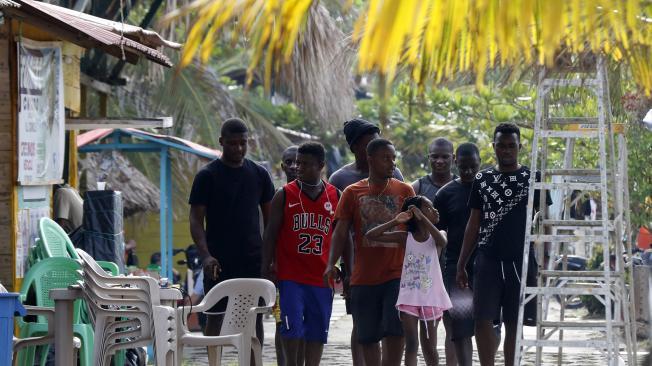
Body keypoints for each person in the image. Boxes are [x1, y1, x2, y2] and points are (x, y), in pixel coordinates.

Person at [456, 123, 552, 366]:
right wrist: (461, 263)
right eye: (501, 146)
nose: (507, 150)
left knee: (514, 321)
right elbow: (474, 222)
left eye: (512, 146)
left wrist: (546, 259)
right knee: (482, 319)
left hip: (521, 259)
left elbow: (546, 221)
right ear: (494, 147)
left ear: (519, 147)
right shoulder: (483, 179)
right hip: (487, 259)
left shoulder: (533, 178)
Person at [325, 138, 415, 366]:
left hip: (396, 275)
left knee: (396, 330)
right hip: (363, 276)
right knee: (367, 336)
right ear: (370, 158)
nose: (392, 163)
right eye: (386, 158)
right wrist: (331, 264)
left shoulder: (405, 190)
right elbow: (340, 232)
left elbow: (415, 231)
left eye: (394, 158)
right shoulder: (352, 192)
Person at [188, 118, 275, 347]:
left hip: (252, 261)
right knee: (214, 319)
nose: (238, 148)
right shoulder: (207, 176)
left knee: (254, 320)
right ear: (221, 142)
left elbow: (271, 220)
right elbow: (196, 220)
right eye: (232, 143)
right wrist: (205, 255)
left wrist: (269, 258)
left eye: (243, 143)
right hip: (218, 262)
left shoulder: (260, 174)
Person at [262, 142, 340, 366]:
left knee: (317, 332)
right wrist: (266, 269)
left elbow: (343, 236)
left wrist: (346, 269)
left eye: (305, 164)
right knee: (291, 329)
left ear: (321, 166)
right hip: (290, 277)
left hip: (321, 277)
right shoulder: (284, 194)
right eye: (297, 163)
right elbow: (270, 235)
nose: (299, 167)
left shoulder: (335, 195)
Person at [365, 196, 451, 366]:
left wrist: (423, 217)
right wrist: (395, 221)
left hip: (431, 298)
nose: (435, 210)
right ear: (415, 214)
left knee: (430, 347)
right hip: (409, 297)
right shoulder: (406, 237)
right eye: (429, 207)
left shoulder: (438, 235)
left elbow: (442, 242)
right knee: (411, 344)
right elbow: (371, 235)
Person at [434, 142, 481, 366]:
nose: (469, 172)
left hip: (486, 265)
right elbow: (438, 236)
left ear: (480, 162)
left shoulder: (487, 188)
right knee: (460, 327)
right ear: (455, 162)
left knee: (489, 323)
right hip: (456, 269)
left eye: (473, 167)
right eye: (463, 167)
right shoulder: (445, 194)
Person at [411, 137, 457, 365]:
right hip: (426, 270)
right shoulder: (418, 188)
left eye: (444, 157)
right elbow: (407, 228)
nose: (439, 161)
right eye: (434, 156)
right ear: (428, 158)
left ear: (453, 158)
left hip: (455, 265)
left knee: (455, 325)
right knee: (428, 328)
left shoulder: (463, 185)